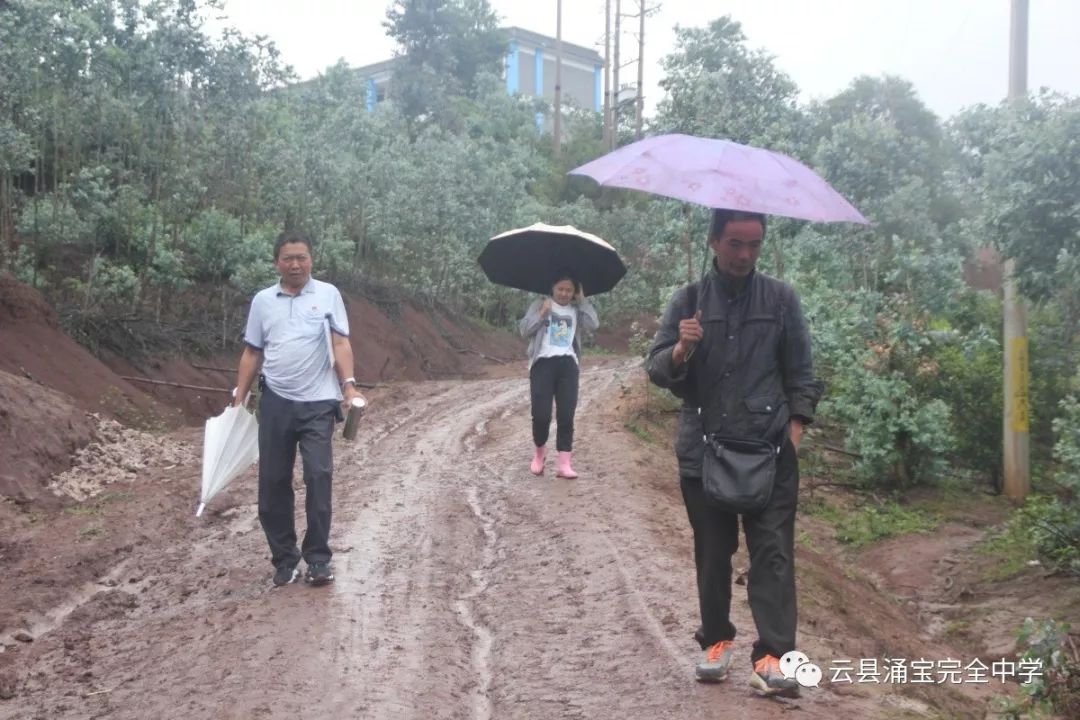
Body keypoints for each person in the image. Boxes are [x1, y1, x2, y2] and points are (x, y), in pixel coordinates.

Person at [646, 209, 822, 697]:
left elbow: (802, 376)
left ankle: (772, 655)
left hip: (770, 451)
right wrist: (682, 349)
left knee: (772, 554)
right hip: (704, 450)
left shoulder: (782, 300)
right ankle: (716, 641)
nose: (745, 254)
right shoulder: (688, 300)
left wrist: (793, 436)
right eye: (735, 243)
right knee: (713, 553)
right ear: (714, 242)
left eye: (754, 245)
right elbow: (657, 370)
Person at [233, 230, 364, 587]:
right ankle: (285, 559)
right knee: (273, 482)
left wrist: (348, 386)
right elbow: (252, 352)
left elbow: (340, 342)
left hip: (319, 402)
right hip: (275, 401)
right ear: (277, 262)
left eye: (302, 257)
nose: (296, 264)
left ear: (311, 260)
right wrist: (238, 398)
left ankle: (319, 559)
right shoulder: (263, 301)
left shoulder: (328, 295)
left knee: (319, 476)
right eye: (288, 258)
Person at [519, 274, 599, 479]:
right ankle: (539, 455)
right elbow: (524, 330)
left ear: (574, 292)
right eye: (560, 289)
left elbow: (593, 324)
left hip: (568, 365)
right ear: (552, 287)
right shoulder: (540, 304)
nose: (564, 293)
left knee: (566, 415)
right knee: (541, 414)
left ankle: (564, 463)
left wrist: (582, 301)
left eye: (569, 290)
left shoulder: (576, 309)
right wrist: (542, 314)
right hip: (542, 364)